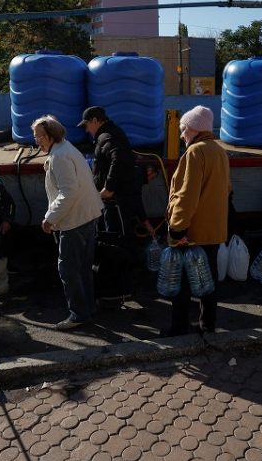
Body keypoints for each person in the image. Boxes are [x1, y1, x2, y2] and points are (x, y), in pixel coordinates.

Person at [33, 115, 104, 330]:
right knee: (83, 267)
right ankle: (88, 307)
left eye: (37, 137)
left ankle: (79, 314)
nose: (36, 141)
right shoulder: (66, 149)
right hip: (87, 215)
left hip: (74, 220)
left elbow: (68, 192)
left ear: (48, 136)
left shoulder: (60, 157)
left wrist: (49, 218)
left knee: (68, 270)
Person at [165, 105, 230, 336]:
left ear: (194, 129)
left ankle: (179, 327)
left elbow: (187, 195)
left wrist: (177, 229)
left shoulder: (195, 152)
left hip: (193, 232)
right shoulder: (218, 150)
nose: (182, 134)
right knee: (208, 279)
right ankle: (207, 324)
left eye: (184, 129)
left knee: (182, 282)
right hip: (213, 230)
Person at [78, 105, 153, 240]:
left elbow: (118, 158)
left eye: (87, 125)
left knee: (115, 241)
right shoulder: (109, 134)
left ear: (95, 120)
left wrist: (109, 187)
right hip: (114, 201)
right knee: (115, 239)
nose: (87, 130)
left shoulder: (107, 136)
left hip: (114, 203)